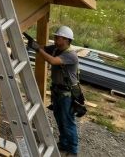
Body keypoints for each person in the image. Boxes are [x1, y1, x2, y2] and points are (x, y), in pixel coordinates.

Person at [30, 25, 80, 156]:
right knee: (59, 119)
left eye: (58, 37)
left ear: (67, 40)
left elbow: (52, 61)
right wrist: (34, 45)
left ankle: (73, 150)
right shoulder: (56, 49)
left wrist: (38, 49)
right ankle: (63, 143)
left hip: (67, 94)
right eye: (56, 37)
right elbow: (43, 48)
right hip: (58, 91)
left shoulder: (71, 55)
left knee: (68, 121)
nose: (55, 39)